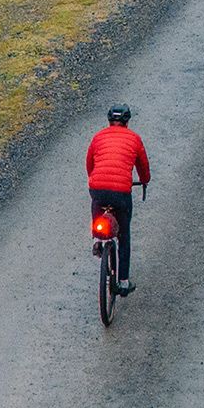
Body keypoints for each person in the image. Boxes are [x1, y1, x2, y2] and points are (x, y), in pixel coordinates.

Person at [85, 105, 151, 293]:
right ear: (127, 122)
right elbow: (143, 166)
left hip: (97, 187)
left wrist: (94, 179)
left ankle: (98, 239)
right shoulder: (134, 139)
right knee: (123, 235)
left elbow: (89, 163)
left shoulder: (98, 137)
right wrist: (145, 180)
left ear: (108, 121)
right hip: (121, 192)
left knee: (97, 206)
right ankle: (123, 281)